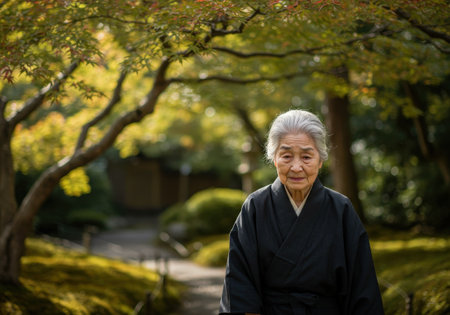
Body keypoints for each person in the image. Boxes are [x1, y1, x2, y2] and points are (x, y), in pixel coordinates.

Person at [219, 109, 384, 315]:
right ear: (274, 159)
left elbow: (362, 287)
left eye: (306, 156)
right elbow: (240, 283)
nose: (296, 167)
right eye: (286, 156)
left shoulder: (341, 209)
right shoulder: (255, 207)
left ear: (320, 160)